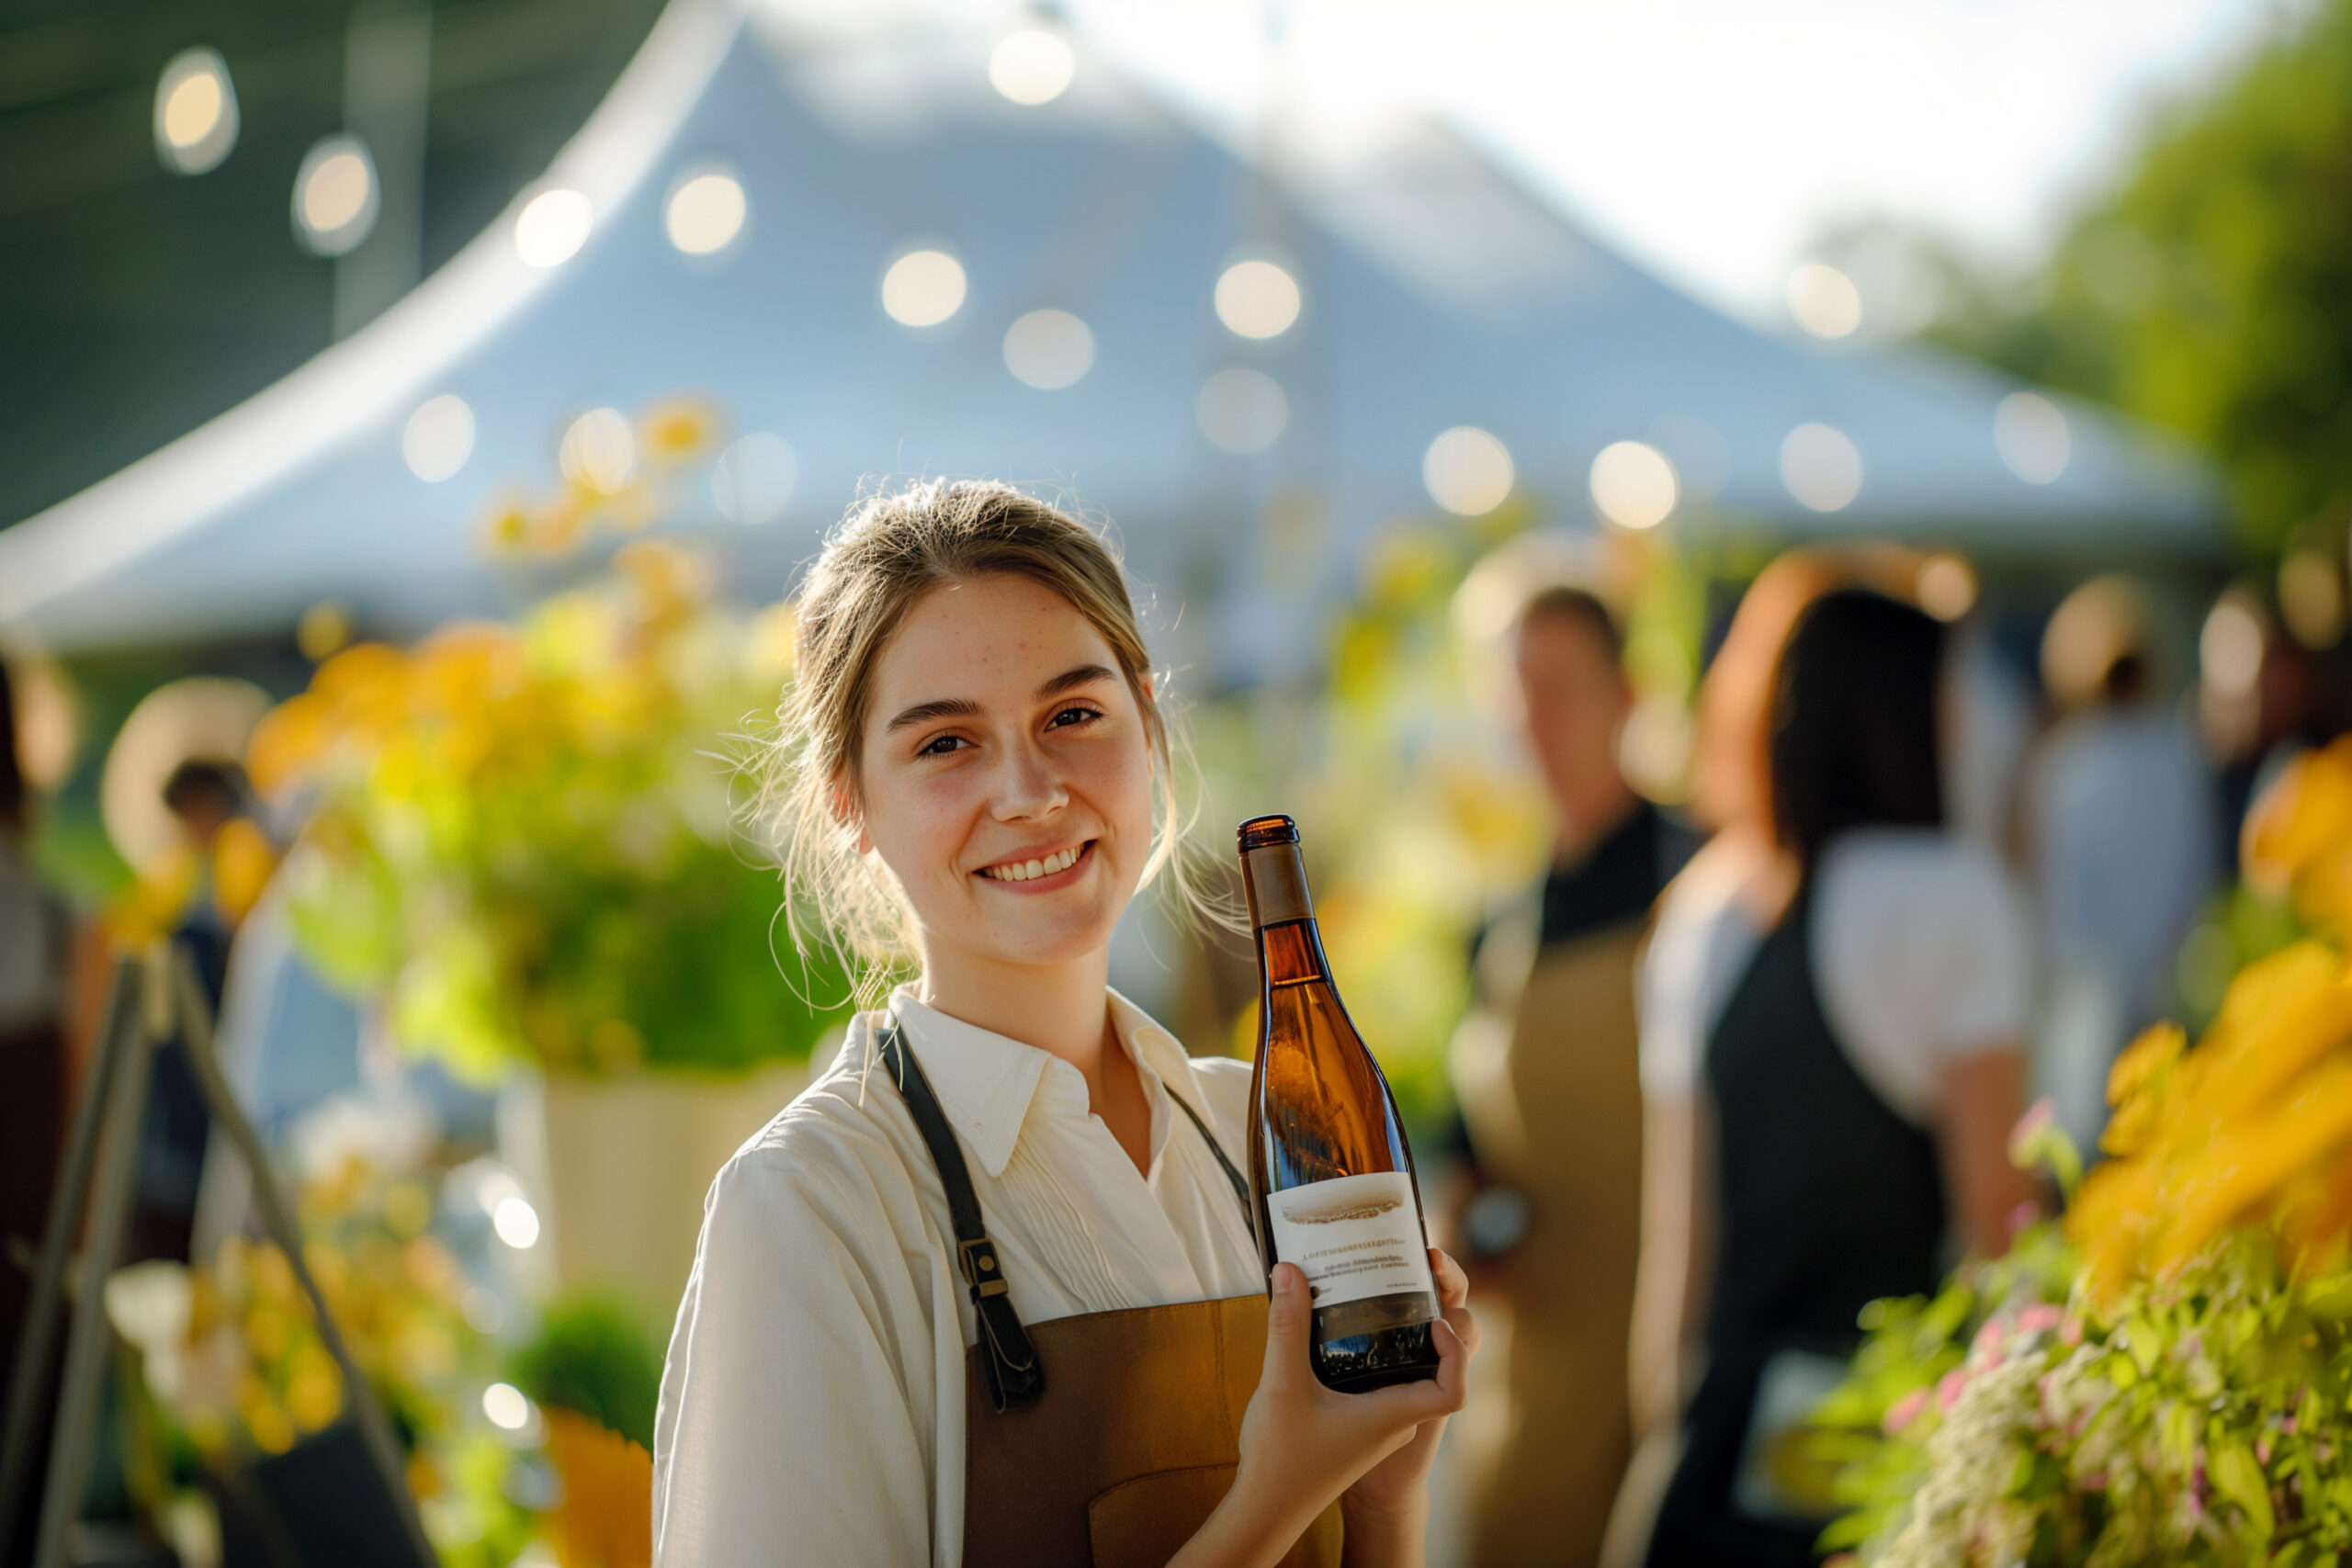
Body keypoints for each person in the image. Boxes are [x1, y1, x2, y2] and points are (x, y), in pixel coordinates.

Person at [651, 480, 1477, 1567]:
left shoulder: (1253, 1132)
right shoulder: (814, 1208)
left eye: (1072, 715)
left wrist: (1379, 1494)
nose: (1031, 790)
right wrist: (1275, 1496)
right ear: (849, 796)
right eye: (946, 744)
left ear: (1146, 721)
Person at [1635, 589, 2037, 1568]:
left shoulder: (1703, 907)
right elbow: (2000, 1223)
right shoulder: (1949, 895)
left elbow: (1677, 1263)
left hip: (1711, 1460)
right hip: (1882, 1470)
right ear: (1897, 707)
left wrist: (1656, 1447)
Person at [1448, 585, 1690, 1568]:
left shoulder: (1703, 884)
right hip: (1535, 1374)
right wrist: (1469, 1220)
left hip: (1670, 1359)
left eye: (1561, 687)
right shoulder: (1497, 927)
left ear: (1626, 696)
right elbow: (1475, 1142)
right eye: (1518, 690)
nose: (1535, 717)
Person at [2022, 576, 2215, 1155]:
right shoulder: (2177, 759)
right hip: (2162, 979)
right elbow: (2196, 873)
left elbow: (2054, 894)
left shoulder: (2066, 764)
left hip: (2087, 986)